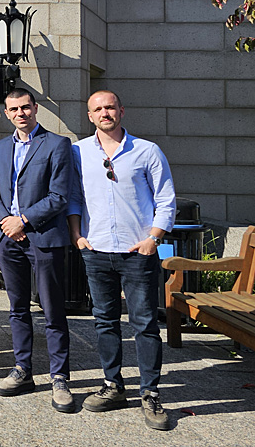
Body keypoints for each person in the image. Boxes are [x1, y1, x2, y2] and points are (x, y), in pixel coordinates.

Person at [70, 90, 176, 431]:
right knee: (105, 322)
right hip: (97, 250)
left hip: (137, 252)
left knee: (144, 324)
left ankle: (150, 393)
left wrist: (153, 239)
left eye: (110, 107)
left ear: (121, 111)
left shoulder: (147, 151)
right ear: (90, 115)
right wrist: (78, 236)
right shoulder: (79, 152)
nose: (104, 113)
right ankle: (113, 385)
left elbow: (166, 198)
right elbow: (74, 196)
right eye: (98, 109)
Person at [0, 88, 75, 413]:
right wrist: (7, 222)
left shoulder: (57, 144)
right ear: (7, 113)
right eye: (14, 109)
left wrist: (22, 220)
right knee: (17, 308)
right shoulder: (0, 148)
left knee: (52, 310)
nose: (21, 113)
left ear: (35, 108)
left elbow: (60, 195)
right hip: (7, 239)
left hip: (44, 237)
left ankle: (60, 378)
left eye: (25, 107)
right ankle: (23, 370)